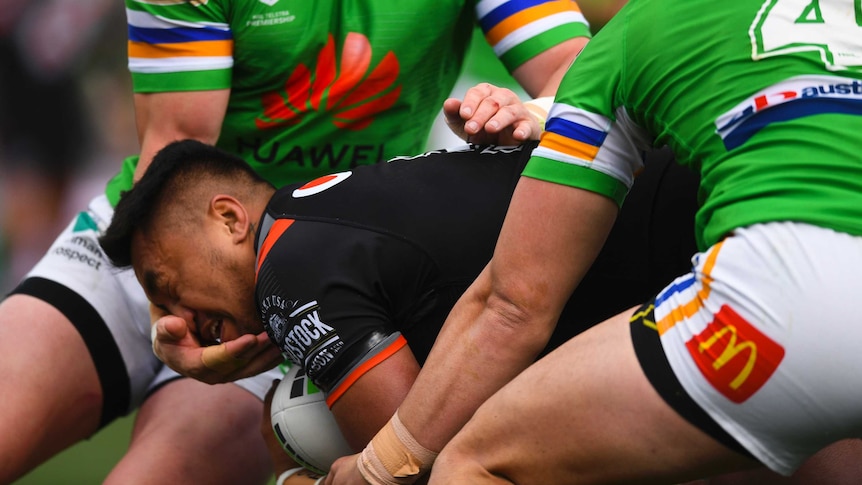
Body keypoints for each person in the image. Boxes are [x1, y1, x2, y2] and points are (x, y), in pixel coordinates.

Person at [0, 0, 598, 482]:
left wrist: (523, 111)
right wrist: (167, 312)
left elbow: (579, 72)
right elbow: (177, 146)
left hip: (299, 279)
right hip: (153, 242)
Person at [329, 0, 862, 483]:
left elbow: (513, 305)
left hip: (782, 307)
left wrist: (376, 468)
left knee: (473, 464)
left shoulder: (627, 40)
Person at [97, 137, 699, 482]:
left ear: (229, 220)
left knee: (467, 467)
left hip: (700, 257)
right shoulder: (322, 215)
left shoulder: (285, 266)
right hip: (700, 222)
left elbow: (412, 467)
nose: (177, 319)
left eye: (166, 285)